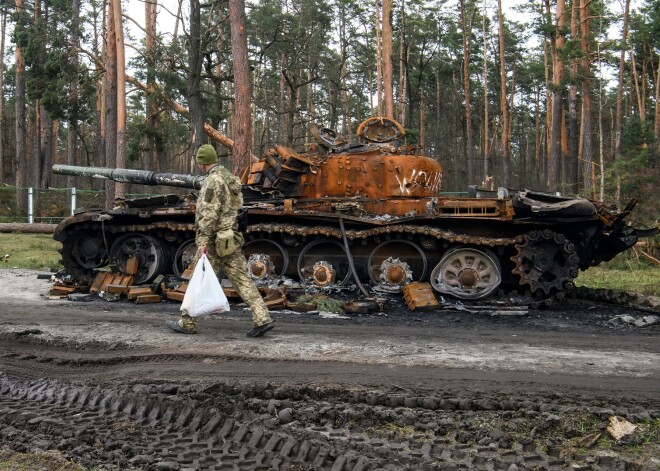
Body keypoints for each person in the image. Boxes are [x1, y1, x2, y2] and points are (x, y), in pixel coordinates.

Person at [166, 144, 275, 337]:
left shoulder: (212, 181)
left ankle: (187, 323)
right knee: (242, 280)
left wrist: (202, 243)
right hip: (230, 237)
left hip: (215, 240)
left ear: (202, 163)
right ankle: (262, 317)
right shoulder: (230, 179)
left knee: (198, 279)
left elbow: (209, 213)